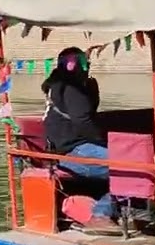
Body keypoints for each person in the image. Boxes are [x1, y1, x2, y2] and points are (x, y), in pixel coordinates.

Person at [42, 46, 115, 227]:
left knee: (129, 165)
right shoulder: (72, 89)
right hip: (75, 151)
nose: (87, 67)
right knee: (132, 167)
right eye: (84, 64)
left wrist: (93, 93)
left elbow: (85, 113)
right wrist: (103, 141)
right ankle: (100, 213)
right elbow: (83, 120)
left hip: (64, 150)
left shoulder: (57, 85)